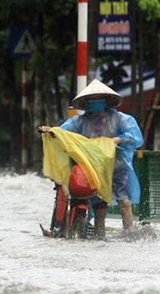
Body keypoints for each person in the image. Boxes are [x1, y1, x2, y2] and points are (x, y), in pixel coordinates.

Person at [43, 79, 144, 238]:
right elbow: (63, 132)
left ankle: (129, 237)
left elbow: (135, 137)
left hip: (118, 167)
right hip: (93, 168)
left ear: (106, 101)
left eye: (99, 99)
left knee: (124, 203)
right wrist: (50, 131)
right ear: (86, 103)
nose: (95, 103)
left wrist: (117, 140)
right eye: (91, 100)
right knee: (99, 207)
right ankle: (100, 239)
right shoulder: (81, 120)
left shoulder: (121, 119)